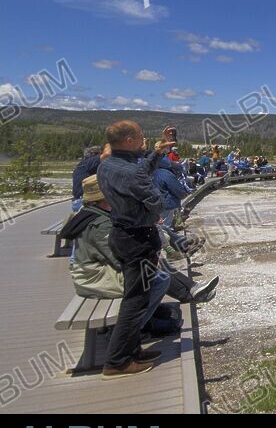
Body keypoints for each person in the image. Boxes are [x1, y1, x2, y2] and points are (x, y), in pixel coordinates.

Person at [59, 175, 218, 334]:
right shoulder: (100, 224)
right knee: (157, 278)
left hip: (93, 272)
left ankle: (191, 291)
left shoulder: (92, 213)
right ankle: (129, 332)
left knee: (152, 266)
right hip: (95, 278)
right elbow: (117, 257)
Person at [95, 120, 175, 379]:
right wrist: (154, 208)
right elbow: (156, 202)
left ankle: (132, 350)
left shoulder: (107, 165)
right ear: (129, 140)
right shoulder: (130, 172)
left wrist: (158, 153)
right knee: (136, 302)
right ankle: (117, 361)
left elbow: (141, 171)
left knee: (136, 297)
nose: (145, 140)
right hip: (138, 240)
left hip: (122, 235)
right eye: (141, 136)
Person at [71, 146, 103, 212]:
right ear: (95, 155)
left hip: (77, 201)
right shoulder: (90, 162)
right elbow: (106, 155)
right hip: (86, 202)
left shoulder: (82, 165)